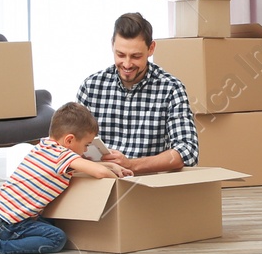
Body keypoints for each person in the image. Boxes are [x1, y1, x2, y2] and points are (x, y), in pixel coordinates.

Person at [0, 102, 132, 254]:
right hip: (5, 225)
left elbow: (86, 165)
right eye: (86, 145)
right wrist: (117, 178)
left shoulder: (44, 147)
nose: (86, 151)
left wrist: (113, 166)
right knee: (57, 238)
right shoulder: (62, 156)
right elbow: (99, 173)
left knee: (47, 219)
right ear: (69, 140)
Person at [76, 12, 199, 175]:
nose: (127, 64)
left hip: (147, 186)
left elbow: (188, 151)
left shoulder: (171, 89)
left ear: (151, 49)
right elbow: (69, 144)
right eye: (120, 55)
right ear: (112, 45)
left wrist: (132, 165)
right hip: (100, 182)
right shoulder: (91, 87)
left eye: (136, 56)